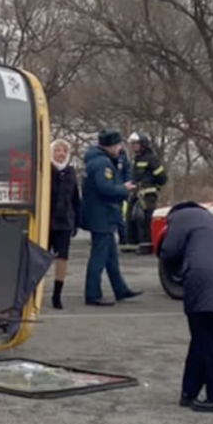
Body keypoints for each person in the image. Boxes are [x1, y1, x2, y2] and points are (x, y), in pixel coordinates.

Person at [159, 201, 213, 413]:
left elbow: (168, 251)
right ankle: (189, 392)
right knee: (203, 340)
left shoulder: (178, 218)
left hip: (204, 281)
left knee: (209, 342)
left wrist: (178, 270)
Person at [80, 131, 141, 306]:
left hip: (101, 214)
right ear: (111, 146)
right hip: (101, 215)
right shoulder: (102, 164)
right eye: (118, 145)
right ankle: (92, 294)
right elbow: (105, 188)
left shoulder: (97, 160)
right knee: (99, 257)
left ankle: (120, 289)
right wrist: (124, 189)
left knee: (111, 257)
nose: (120, 148)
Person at [46, 138, 82, 310]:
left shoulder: (70, 172)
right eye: (57, 151)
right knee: (40, 258)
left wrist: (76, 221)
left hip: (64, 222)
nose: (61, 154)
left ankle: (57, 295)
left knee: (62, 259)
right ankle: (32, 292)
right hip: (46, 222)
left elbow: (75, 198)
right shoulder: (45, 170)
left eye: (64, 152)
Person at [125, 133, 169, 251]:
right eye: (133, 144)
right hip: (135, 193)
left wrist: (149, 182)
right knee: (131, 217)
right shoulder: (136, 158)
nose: (134, 146)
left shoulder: (151, 158)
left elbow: (162, 178)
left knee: (144, 219)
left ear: (143, 144)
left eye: (136, 143)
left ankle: (146, 245)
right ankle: (132, 243)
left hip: (147, 195)